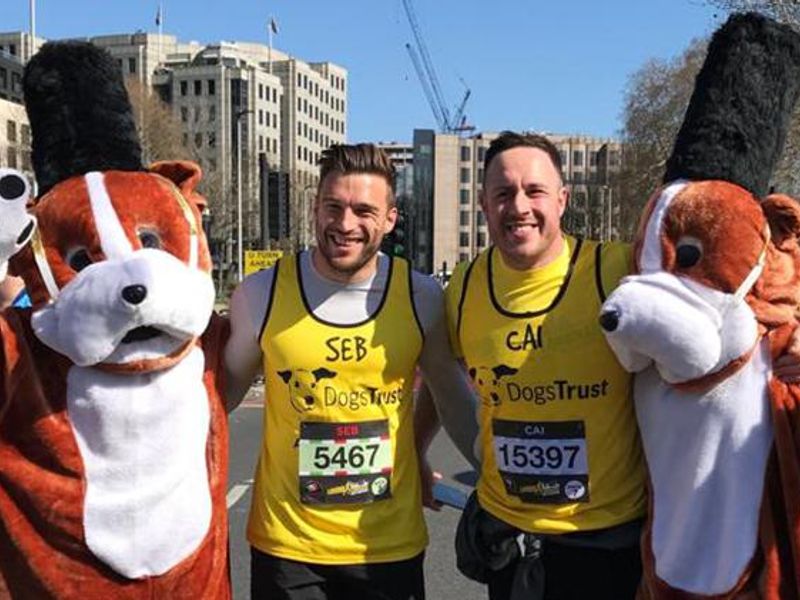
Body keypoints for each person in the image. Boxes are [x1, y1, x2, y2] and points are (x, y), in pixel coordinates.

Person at [224, 143, 479, 600]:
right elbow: (216, 400)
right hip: (288, 547)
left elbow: (451, 397)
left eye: (363, 210)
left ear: (390, 219)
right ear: (314, 207)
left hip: (387, 546)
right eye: (333, 207)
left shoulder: (420, 296)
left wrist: (494, 476)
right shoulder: (260, 293)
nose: (345, 224)